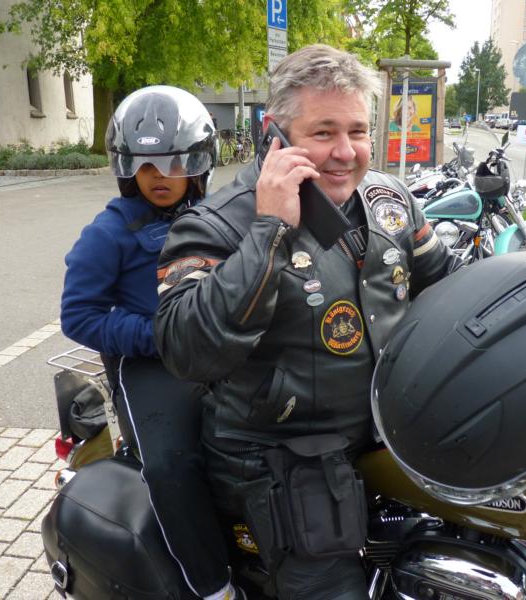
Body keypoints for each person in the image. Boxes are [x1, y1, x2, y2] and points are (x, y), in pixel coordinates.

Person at [154, 45, 462, 599]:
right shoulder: (218, 224)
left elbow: (448, 285)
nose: (345, 152)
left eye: (358, 131)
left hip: (387, 442)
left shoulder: (389, 201)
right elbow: (186, 347)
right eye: (323, 133)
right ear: (274, 134)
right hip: (279, 464)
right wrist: (270, 231)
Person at [60, 85, 240, 600]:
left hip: (216, 352)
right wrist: (156, 335)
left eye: (175, 162)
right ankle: (212, 584)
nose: (160, 175)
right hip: (150, 364)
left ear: (199, 164)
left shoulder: (218, 217)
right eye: (145, 165)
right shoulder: (108, 233)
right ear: (126, 168)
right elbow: (78, 315)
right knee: (172, 465)